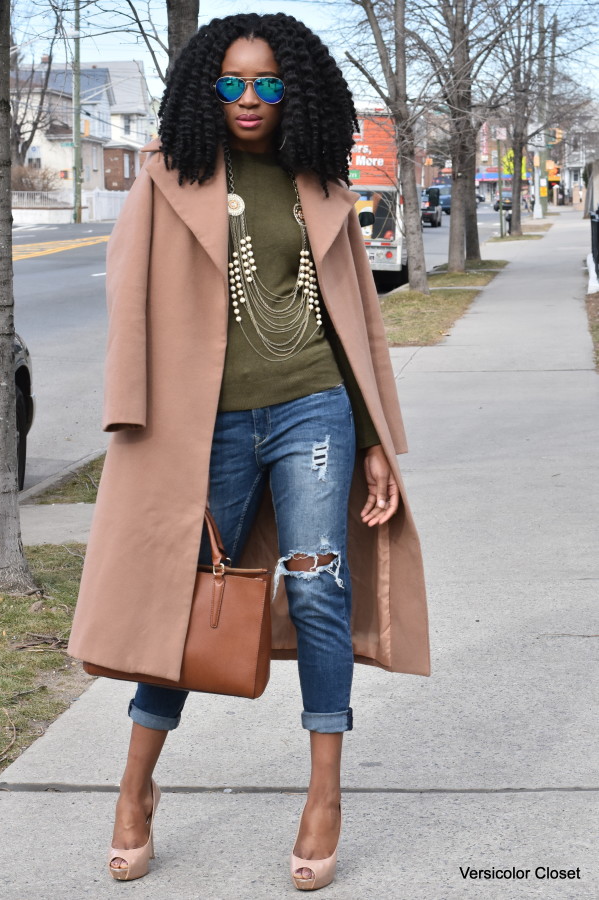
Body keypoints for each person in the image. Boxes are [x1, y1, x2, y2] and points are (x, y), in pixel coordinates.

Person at [66, 12, 430, 893]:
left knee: (317, 586)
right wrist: (135, 428)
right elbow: (130, 303)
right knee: (185, 604)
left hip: (314, 409)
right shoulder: (168, 176)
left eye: (268, 83)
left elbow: (355, 325)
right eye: (232, 83)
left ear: (295, 89)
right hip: (204, 424)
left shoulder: (319, 182)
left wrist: (378, 439)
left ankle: (323, 794)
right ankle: (136, 785)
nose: (250, 100)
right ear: (205, 89)